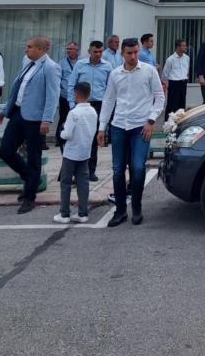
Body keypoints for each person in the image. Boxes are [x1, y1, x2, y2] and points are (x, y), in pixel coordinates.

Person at [97, 37, 165, 226]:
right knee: (118, 170)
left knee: (137, 168)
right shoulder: (115, 74)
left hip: (140, 127)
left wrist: (151, 121)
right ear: (122, 53)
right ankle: (120, 211)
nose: (133, 56)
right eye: (129, 53)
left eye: (136, 52)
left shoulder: (149, 71)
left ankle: (136, 207)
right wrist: (102, 127)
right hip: (119, 126)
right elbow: (108, 100)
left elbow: (159, 97)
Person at [0, 37, 60, 214]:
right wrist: (5, 110)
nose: (26, 50)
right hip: (18, 113)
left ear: (40, 49)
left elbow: (52, 96)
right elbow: (18, 89)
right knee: (5, 150)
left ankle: (29, 198)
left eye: (29, 47)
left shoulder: (50, 68)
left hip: (35, 119)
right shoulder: (27, 63)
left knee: (33, 157)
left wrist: (47, 120)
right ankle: (31, 178)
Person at [53, 82, 98, 224]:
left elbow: (67, 134)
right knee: (83, 182)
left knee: (66, 182)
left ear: (76, 95)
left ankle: (64, 213)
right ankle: (83, 213)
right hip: (85, 152)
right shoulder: (93, 112)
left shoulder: (73, 113)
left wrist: (61, 133)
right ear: (89, 94)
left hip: (71, 153)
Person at [67, 41, 112, 181]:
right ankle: (73, 171)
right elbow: (71, 84)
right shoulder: (80, 65)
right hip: (81, 104)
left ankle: (90, 171)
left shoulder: (107, 66)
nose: (98, 54)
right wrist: (71, 105)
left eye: (100, 52)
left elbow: (111, 89)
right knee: (78, 137)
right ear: (89, 51)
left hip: (98, 105)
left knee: (93, 139)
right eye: (95, 52)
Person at [56, 41, 80, 153]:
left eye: (71, 49)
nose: (68, 51)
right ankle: (59, 137)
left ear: (77, 50)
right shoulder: (61, 63)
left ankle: (74, 137)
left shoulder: (81, 62)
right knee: (63, 117)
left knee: (77, 118)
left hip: (78, 96)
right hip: (65, 95)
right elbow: (57, 79)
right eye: (67, 49)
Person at [162, 38, 190, 118]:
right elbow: (165, 73)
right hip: (174, 83)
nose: (185, 47)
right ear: (178, 47)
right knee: (172, 104)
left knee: (181, 103)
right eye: (183, 46)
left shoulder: (187, 58)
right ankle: (168, 123)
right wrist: (167, 84)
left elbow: (186, 70)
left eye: (185, 45)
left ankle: (179, 121)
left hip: (183, 82)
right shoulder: (170, 59)